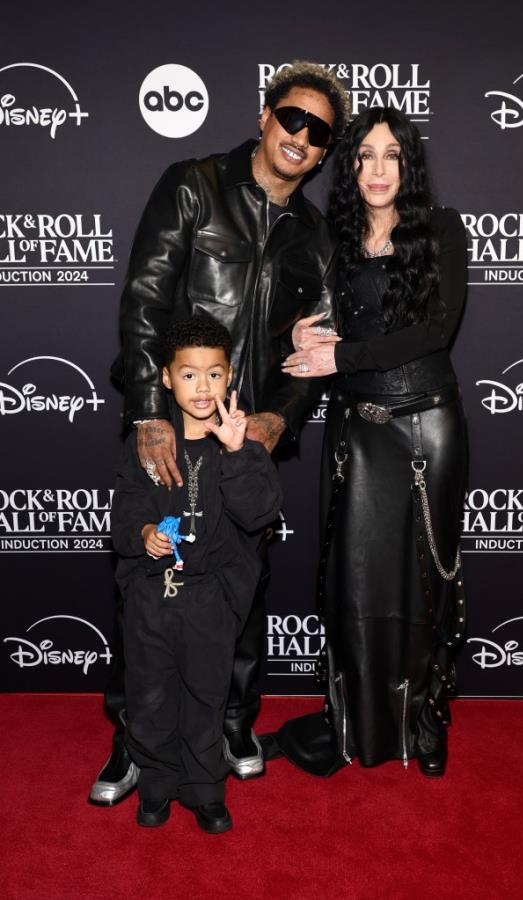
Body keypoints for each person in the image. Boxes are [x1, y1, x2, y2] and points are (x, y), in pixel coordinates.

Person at [89, 60, 350, 805]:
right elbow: (145, 302)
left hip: (242, 442)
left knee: (239, 588)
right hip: (167, 433)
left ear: (327, 151)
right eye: (292, 119)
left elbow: (316, 350)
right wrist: (148, 411)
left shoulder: (316, 236)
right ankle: (133, 740)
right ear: (265, 116)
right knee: (147, 587)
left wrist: (280, 416)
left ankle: (232, 722)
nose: (302, 137)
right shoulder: (193, 185)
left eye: (319, 132)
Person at [272, 107, 468, 776]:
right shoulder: (335, 237)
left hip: (425, 428)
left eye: (392, 156)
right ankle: (353, 717)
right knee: (355, 584)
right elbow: (317, 322)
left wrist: (341, 356)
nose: (378, 170)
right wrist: (304, 335)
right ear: (349, 166)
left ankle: (425, 716)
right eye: (365, 156)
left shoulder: (441, 230)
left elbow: (433, 332)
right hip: (357, 431)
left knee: (424, 583)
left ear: (409, 165)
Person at [111, 315, 282, 832]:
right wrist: (143, 535)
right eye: (188, 375)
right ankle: (158, 785)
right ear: (165, 378)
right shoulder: (147, 445)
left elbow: (259, 514)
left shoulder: (242, 444)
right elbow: (124, 511)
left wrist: (237, 452)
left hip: (211, 601)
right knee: (151, 697)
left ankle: (206, 789)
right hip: (150, 600)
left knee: (208, 698)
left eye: (214, 374)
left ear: (230, 376)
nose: (202, 387)